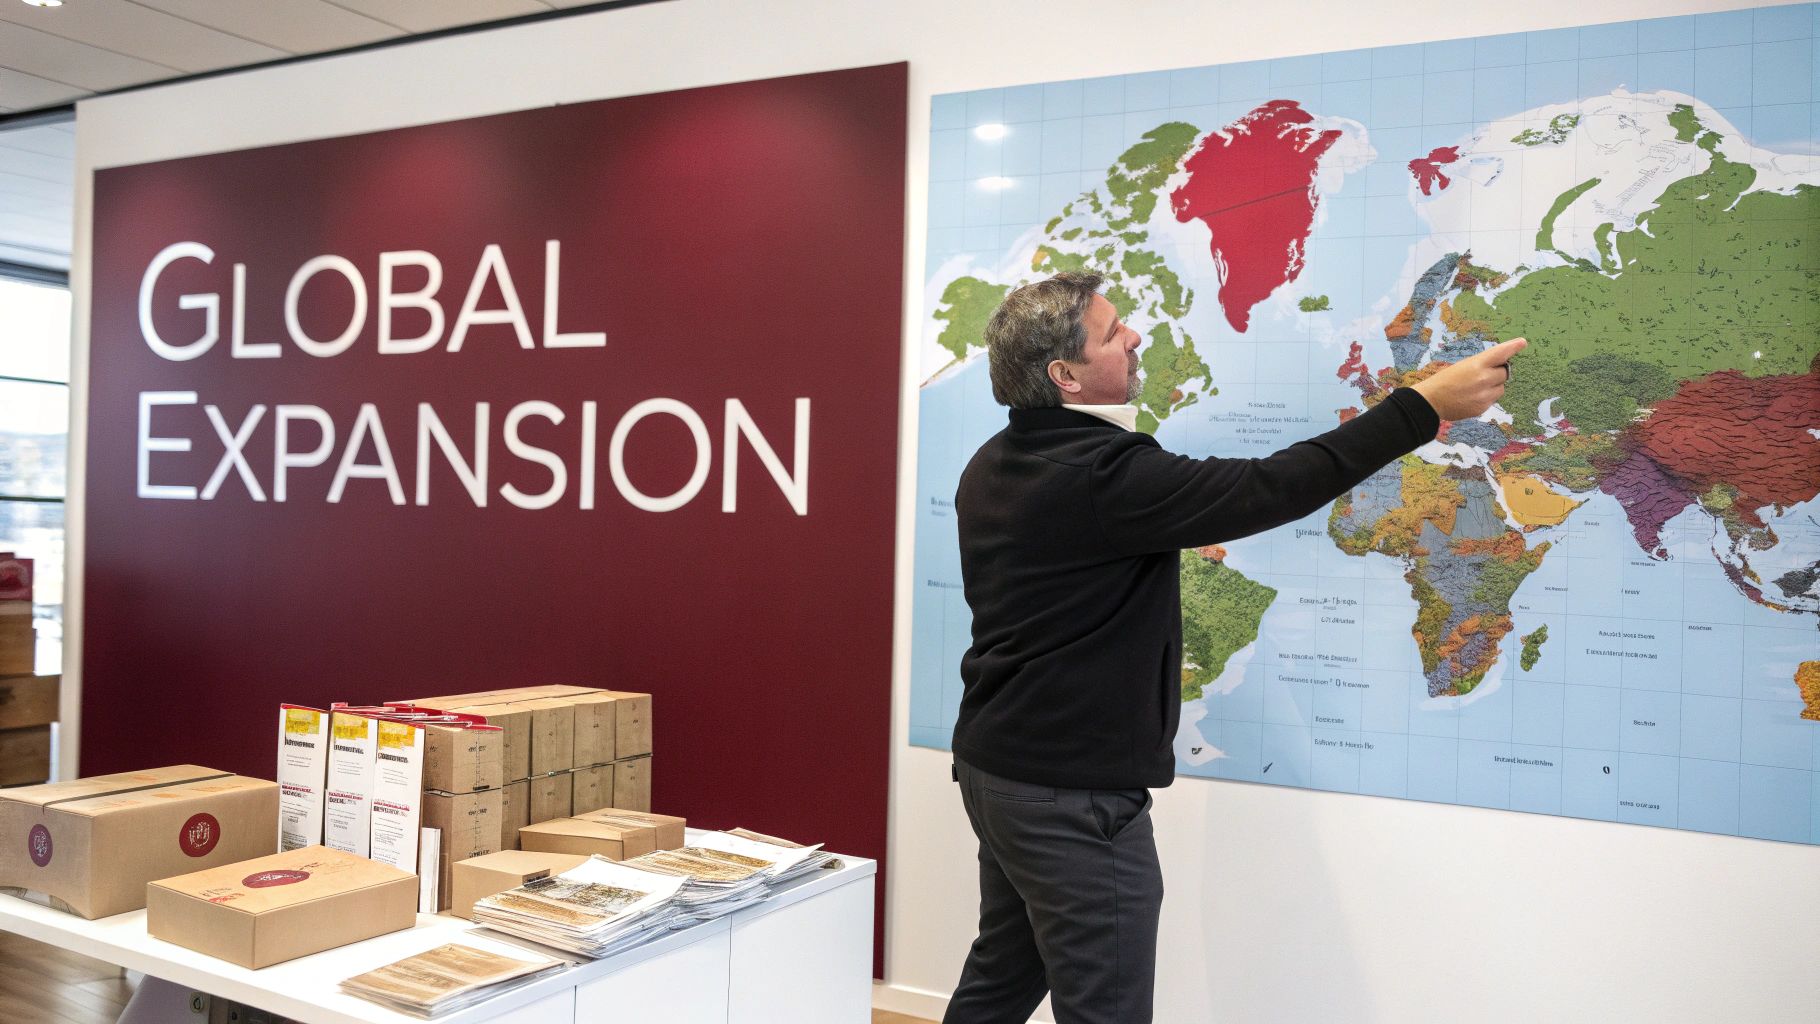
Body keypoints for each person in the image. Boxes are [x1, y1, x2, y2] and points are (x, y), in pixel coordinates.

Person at [945, 271, 1523, 1024]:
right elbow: (1271, 486)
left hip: (1000, 770)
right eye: (1112, 330)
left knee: (1001, 978)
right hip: (1070, 795)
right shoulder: (1102, 477)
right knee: (1105, 1007)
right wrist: (1422, 409)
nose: (1134, 336)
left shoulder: (998, 461)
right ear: (1066, 375)